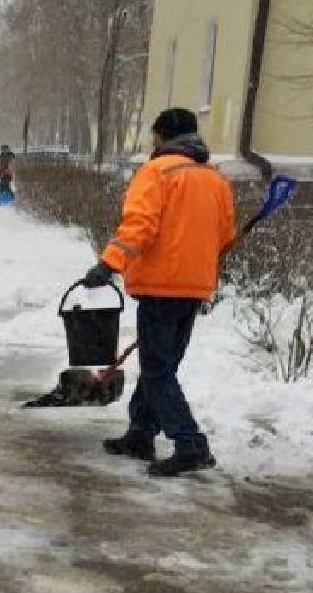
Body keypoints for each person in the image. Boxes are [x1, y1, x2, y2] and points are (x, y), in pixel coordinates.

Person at [81, 107, 235, 477]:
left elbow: (139, 226)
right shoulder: (215, 179)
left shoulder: (157, 172)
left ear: (164, 137)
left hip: (161, 285)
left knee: (157, 371)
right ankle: (141, 433)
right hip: (194, 287)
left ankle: (190, 444)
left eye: (155, 136)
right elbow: (225, 234)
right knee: (162, 367)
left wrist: (108, 264)